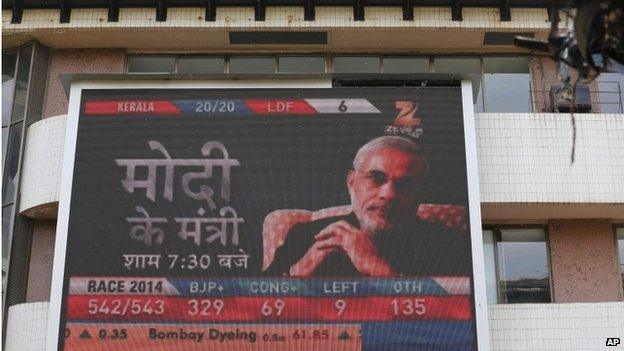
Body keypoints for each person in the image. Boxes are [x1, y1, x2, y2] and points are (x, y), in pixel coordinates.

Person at [264, 135, 471, 277]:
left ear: (418, 197)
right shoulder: (306, 235)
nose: (388, 194)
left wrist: (377, 267)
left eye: (405, 185)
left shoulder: (447, 245)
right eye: (376, 178)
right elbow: (249, 310)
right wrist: (303, 267)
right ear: (351, 182)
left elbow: (448, 328)